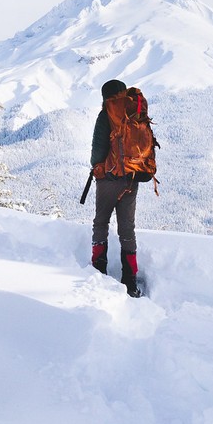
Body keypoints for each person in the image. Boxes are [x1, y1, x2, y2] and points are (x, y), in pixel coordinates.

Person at [90, 78, 143, 297]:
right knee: (127, 227)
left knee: (101, 222)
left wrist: (97, 167)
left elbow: (97, 150)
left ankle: (99, 271)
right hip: (132, 177)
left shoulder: (105, 116)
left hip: (109, 180)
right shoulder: (135, 112)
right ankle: (130, 282)